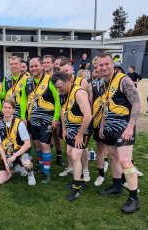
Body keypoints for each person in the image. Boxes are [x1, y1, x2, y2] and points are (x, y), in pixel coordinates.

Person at [97, 52, 141, 214]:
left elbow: (136, 103)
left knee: (125, 161)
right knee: (114, 157)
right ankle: (116, 186)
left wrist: (130, 127)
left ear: (112, 64)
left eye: (106, 64)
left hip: (123, 127)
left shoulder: (124, 80)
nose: (104, 67)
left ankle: (133, 199)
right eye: (100, 65)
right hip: (109, 127)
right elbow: (105, 105)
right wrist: (102, 125)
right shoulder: (103, 83)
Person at [51, 71, 92, 200]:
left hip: (82, 127)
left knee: (75, 156)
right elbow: (63, 112)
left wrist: (80, 135)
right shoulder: (62, 93)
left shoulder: (79, 93)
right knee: (69, 151)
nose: (58, 90)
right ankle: (80, 179)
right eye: (56, 88)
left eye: (60, 87)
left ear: (67, 82)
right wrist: (64, 129)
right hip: (70, 128)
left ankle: (76, 188)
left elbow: (88, 116)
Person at [20, 58, 61, 183]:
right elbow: (23, 100)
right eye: (31, 66)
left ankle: (47, 173)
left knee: (44, 144)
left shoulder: (50, 80)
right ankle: (42, 166)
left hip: (47, 119)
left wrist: (56, 117)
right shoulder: (27, 81)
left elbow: (57, 99)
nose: (33, 68)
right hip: (32, 119)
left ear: (41, 66)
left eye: (36, 66)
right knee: (36, 143)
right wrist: (23, 116)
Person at [59, 59, 91, 181]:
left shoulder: (81, 82)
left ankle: (85, 170)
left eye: (66, 70)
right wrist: (64, 128)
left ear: (72, 69)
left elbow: (86, 105)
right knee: (70, 149)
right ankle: (72, 168)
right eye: (62, 71)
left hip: (81, 122)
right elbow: (63, 108)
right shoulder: (60, 85)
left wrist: (83, 130)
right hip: (69, 122)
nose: (65, 73)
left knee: (81, 148)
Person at [0, 100, 36, 185]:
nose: (7, 110)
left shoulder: (19, 124)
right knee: (0, 181)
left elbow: (27, 144)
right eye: (5, 107)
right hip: (7, 155)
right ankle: (13, 169)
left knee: (27, 163)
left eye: (10, 108)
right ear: (2, 109)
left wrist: (14, 156)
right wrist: (5, 161)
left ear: (13, 110)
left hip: (20, 153)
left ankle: (30, 173)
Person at [88, 57, 108, 186]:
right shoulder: (92, 84)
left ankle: (122, 179)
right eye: (95, 68)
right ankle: (101, 175)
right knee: (100, 148)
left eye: (99, 66)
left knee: (116, 151)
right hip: (97, 121)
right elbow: (90, 105)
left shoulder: (113, 82)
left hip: (111, 121)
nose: (98, 70)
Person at [43, 55, 65, 167]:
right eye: (44, 62)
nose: (46, 65)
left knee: (56, 134)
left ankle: (59, 156)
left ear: (53, 64)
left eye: (48, 62)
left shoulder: (57, 77)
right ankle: (47, 155)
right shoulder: (41, 78)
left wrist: (57, 115)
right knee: (47, 135)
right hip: (44, 110)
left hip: (56, 109)